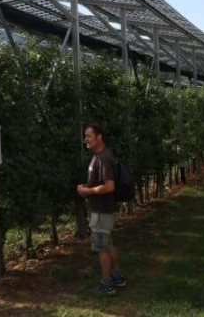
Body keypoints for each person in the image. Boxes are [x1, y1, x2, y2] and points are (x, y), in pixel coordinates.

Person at [76, 123, 126, 296]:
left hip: (102, 210)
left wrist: (88, 191)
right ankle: (118, 277)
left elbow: (109, 186)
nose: (86, 139)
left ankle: (107, 284)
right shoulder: (98, 156)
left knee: (101, 248)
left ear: (99, 137)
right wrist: (87, 187)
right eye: (86, 136)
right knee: (108, 243)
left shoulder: (104, 157)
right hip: (102, 209)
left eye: (89, 136)